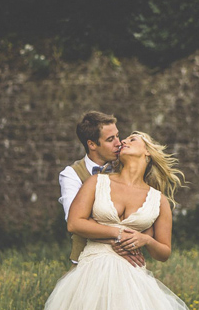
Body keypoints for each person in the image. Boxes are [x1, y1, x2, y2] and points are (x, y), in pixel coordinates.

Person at [21, 132, 199, 310]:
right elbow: (74, 223)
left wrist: (145, 241)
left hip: (132, 279)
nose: (124, 141)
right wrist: (119, 232)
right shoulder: (97, 182)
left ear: (148, 153)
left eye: (133, 138)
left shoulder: (159, 201)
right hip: (93, 270)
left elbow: (164, 251)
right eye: (122, 138)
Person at [58, 110, 144, 268]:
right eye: (110, 139)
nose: (119, 143)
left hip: (128, 265)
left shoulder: (128, 165)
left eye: (118, 136)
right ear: (91, 144)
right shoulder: (72, 175)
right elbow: (75, 222)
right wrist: (119, 236)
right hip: (86, 262)